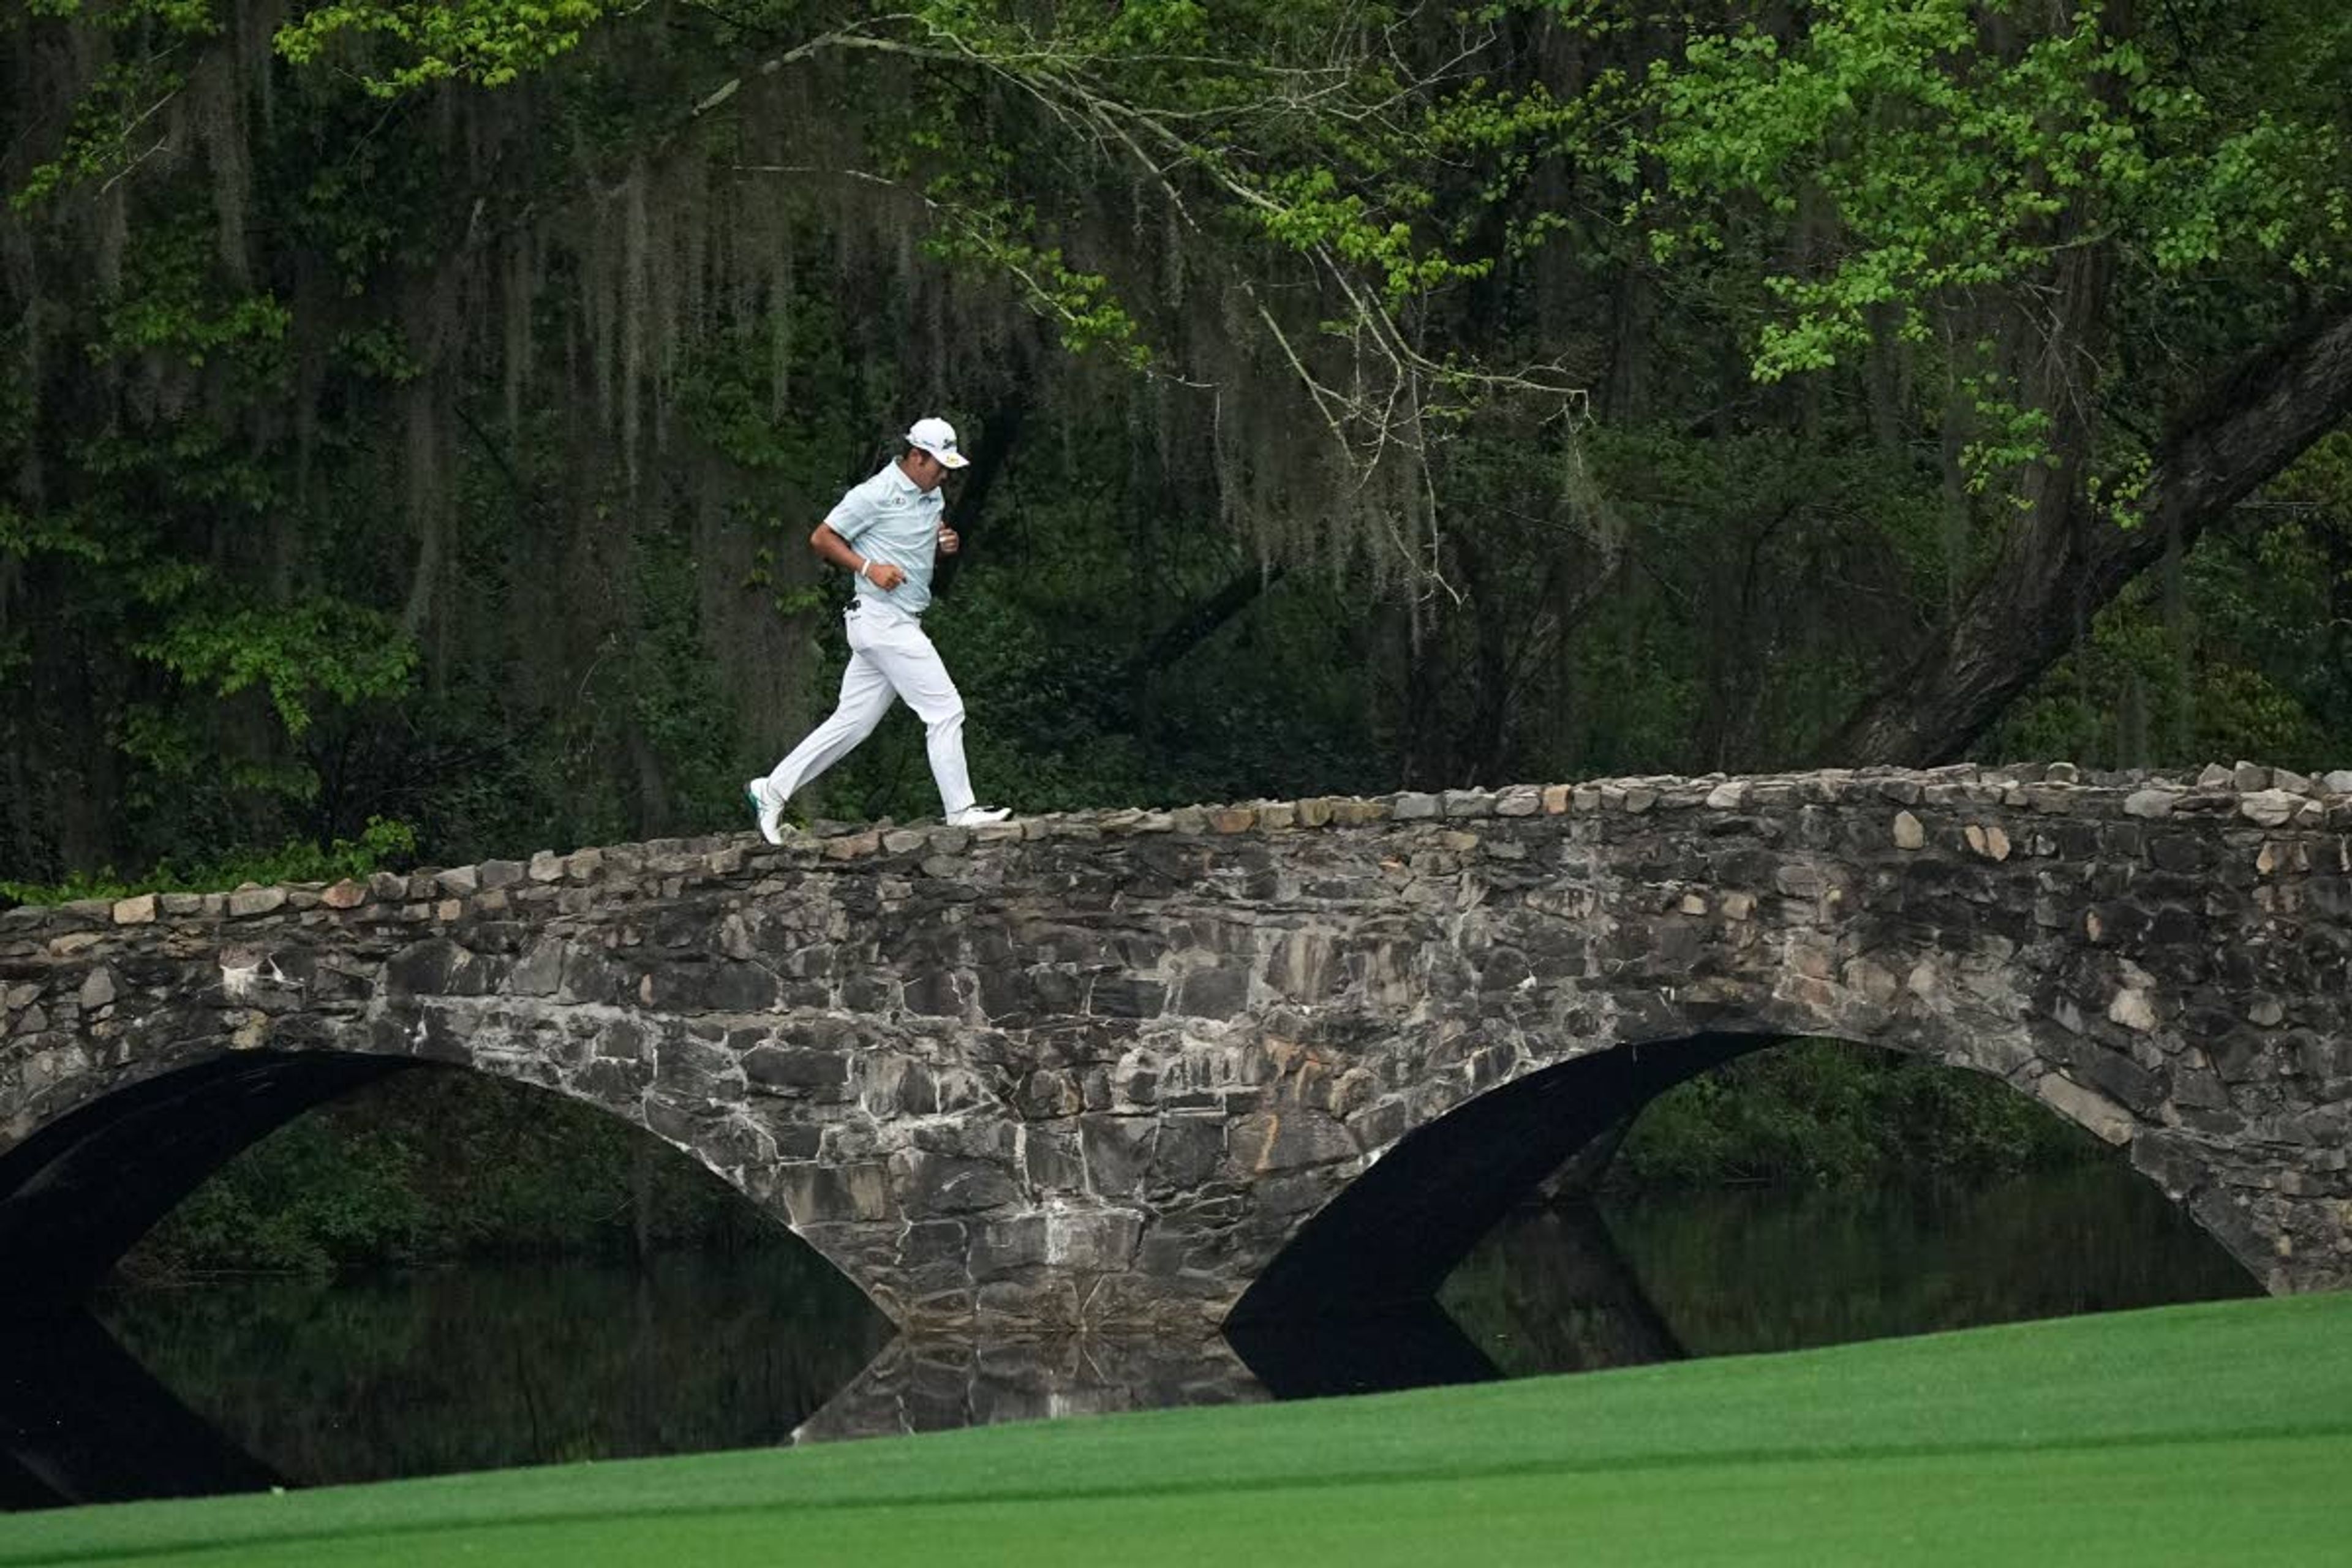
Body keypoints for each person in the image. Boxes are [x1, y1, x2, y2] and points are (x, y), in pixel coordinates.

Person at [744, 417, 1011, 842]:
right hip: (881, 619)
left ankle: (772, 789)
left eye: (948, 468)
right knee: (945, 710)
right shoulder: (874, 494)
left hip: (894, 621)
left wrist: (943, 546)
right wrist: (869, 567)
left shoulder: (932, 496)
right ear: (916, 456)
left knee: (853, 723)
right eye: (938, 465)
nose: (944, 475)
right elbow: (822, 537)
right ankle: (961, 811)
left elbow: (914, 543)